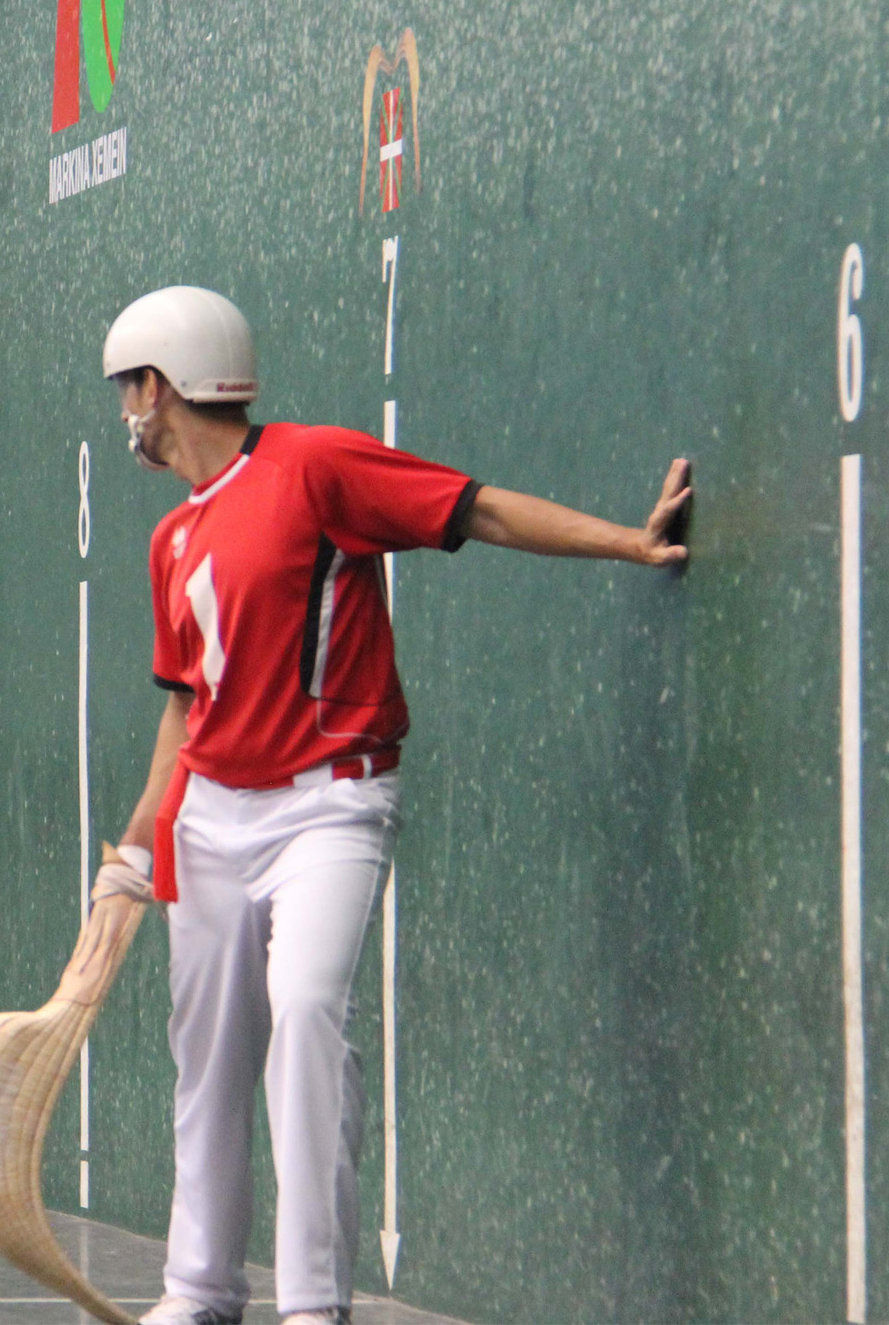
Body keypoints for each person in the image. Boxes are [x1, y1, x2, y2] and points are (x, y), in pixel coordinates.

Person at [91, 286, 690, 1325]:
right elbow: (186, 711)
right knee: (210, 1052)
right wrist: (134, 850)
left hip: (331, 805)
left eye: (127, 391)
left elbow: (479, 507)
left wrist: (628, 546)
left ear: (161, 383)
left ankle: (314, 1305)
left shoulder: (313, 465)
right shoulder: (172, 541)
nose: (125, 415)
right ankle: (197, 1293)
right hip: (210, 821)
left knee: (310, 1013)